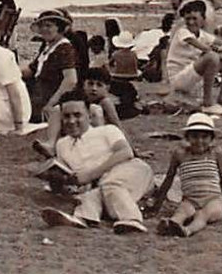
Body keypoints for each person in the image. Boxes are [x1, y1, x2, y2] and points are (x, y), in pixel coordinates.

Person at [38, 100, 152, 234]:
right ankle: (82, 219)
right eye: (67, 116)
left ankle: (132, 219)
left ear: (89, 116)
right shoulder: (62, 145)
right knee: (90, 194)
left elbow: (125, 152)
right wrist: (59, 180)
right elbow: (72, 177)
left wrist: (90, 175)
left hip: (130, 170)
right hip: (99, 185)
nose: (72, 121)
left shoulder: (107, 131)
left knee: (111, 184)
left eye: (77, 115)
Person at [151, 112, 222, 237]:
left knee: (203, 215)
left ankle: (188, 230)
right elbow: (169, 179)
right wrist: (157, 205)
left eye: (204, 137)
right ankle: (172, 224)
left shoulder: (215, 153)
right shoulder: (180, 154)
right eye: (194, 136)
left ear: (211, 139)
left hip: (213, 199)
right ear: (187, 138)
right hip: (191, 199)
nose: (199, 141)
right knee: (182, 211)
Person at [163, 0, 222, 117]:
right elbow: (205, 49)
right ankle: (208, 104)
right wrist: (219, 50)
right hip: (179, 79)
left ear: (203, 19)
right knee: (212, 57)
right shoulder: (182, 32)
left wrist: (221, 49)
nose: (191, 22)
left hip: (193, 77)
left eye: (194, 18)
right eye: (188, 19)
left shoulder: (203, 35)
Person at [25, 8, 80, 123]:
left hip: (52, 100)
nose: (44, 29)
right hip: (39, 97)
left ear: (59, 28)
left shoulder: (64, 48)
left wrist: (51, 104)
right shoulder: (48, 47)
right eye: (42, 26)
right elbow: (30, 70)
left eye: (49, 26)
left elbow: (70, 80)